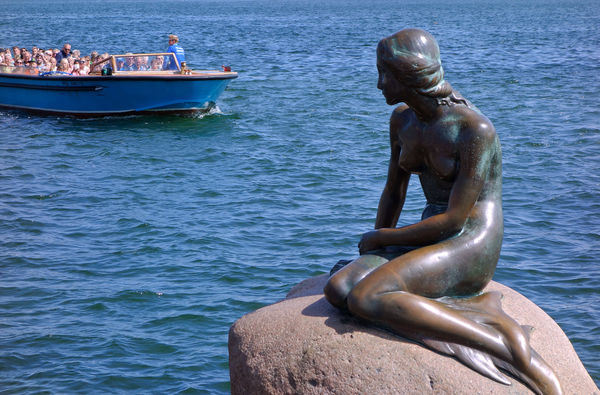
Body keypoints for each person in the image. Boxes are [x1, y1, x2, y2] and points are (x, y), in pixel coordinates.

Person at [323, 28, 562, 395]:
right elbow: (393, 191)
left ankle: (508, 349)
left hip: (470, 239)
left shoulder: (473, 129)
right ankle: (430, 310)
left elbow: (455, 219)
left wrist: (384, 238)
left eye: (384, 73)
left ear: (409, 74)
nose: (378, 84)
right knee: (340, 288)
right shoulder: (402, 121)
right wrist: (375, 246)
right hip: (429, 231)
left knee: (366, 297)